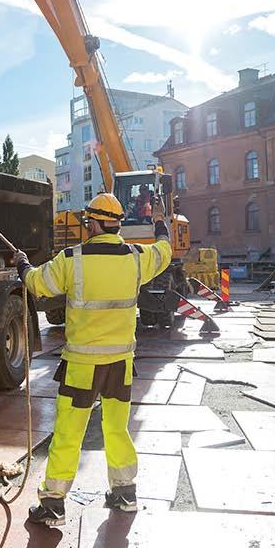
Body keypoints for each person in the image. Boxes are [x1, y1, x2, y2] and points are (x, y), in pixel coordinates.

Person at [13, 192, 173, 527]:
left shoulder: (72, 259)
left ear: (95, 223)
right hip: (120, 365)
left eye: (88, 222)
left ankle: (54, 503)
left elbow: (37, 284)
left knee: (69, 432)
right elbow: (164, 252)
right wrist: (160, 220)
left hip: (82, 367)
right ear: (116, 224)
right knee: (117, 429)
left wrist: (22, 263)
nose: (86, 227)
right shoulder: (135, 257)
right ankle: (124, 493)